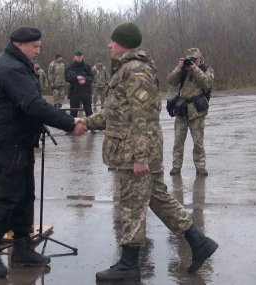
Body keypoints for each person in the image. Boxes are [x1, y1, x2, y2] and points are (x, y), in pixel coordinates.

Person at [82, 23, 218, 282]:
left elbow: (143, 117)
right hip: (138, 150)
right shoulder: (126, 69)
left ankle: (128, 266)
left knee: (132, 204)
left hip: (137, 152)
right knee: (158, 198)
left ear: (125, 43)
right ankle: (199, 243)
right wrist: (86, 122)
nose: (109, 45)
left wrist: (140, 158)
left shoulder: (136, 71)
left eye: (113, 41)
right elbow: (118, 114)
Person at [0, 26, 86, 277]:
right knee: (10, 199)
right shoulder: (10, 68)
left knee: (26, 195)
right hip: (6, 142)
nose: (39, 51)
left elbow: (30, 104)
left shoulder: (18, 64)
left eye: (39, 46)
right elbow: (32, 104)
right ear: (19, 44)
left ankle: (23, 247)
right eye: (35, 46)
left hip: (19, 141)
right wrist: (69, 124)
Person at [167, 48, 214, 176]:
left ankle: (200, 167)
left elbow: (207, 84)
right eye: (190, 59)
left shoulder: (206, 69)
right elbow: (171, 81)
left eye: (194, 59)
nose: (191, 62)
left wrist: (195, 69)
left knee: (198, 143)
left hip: (196, 112)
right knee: (178, 142)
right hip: (182, 110)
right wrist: (179, 68)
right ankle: (176, 167)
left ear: (200, 58)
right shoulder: (183, 70)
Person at [65, 51, 94, 119]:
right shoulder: (70, 67)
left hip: (86, 92)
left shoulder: (87, 67)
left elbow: (92, 78)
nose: (79, 57)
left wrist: (85, 80)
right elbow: (67, 78)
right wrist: (76, 78)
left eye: (80, 56)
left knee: (89, 112)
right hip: (74, 92)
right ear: (74, 57)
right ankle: (72, 127)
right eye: (77, 56)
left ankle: (92, 128)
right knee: (73, 113)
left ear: (82, 56)